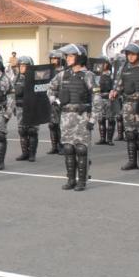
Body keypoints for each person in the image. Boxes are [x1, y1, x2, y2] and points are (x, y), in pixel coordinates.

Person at [48, 44, 102, 191]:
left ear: (80, 57)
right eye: (67, 56)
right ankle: (71, 179)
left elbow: (97, 98)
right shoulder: (62, 75)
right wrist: (55, 101)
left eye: (71, 56)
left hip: (82, 117)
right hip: (66, 117)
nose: (68, 58)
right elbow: (50, 88)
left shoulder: (88, 75)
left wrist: (93, 119)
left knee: (81, 150)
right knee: (68, 148)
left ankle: (82, 181)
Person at [110, 44, 139, 172]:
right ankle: (132, 161)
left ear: (138, 55)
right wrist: (114, 92)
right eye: (128, 54)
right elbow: (119, 85)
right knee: (130, 134)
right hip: (128, 105)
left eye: (133, 54)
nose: (130, 56)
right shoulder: (124, 68)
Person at [14, 56, 39, 162]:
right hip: (20, 108)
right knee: (22, 131)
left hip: (32, 108)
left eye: (24, 65)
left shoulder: (36, 78)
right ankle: (25, 153)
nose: (22, 67)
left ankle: (32, 154)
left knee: (32, 131)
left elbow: (41, 94)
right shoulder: (16, 78)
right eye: (20, 65)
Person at [47, 50, 66, 154]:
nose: (53, 61)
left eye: (56, 59)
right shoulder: (49, 71)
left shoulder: (65, 72)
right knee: (52, 124)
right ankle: (54, 146)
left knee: (60, 125)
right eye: (52, 58)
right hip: (51, 101)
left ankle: (62, 145)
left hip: (61, 101)